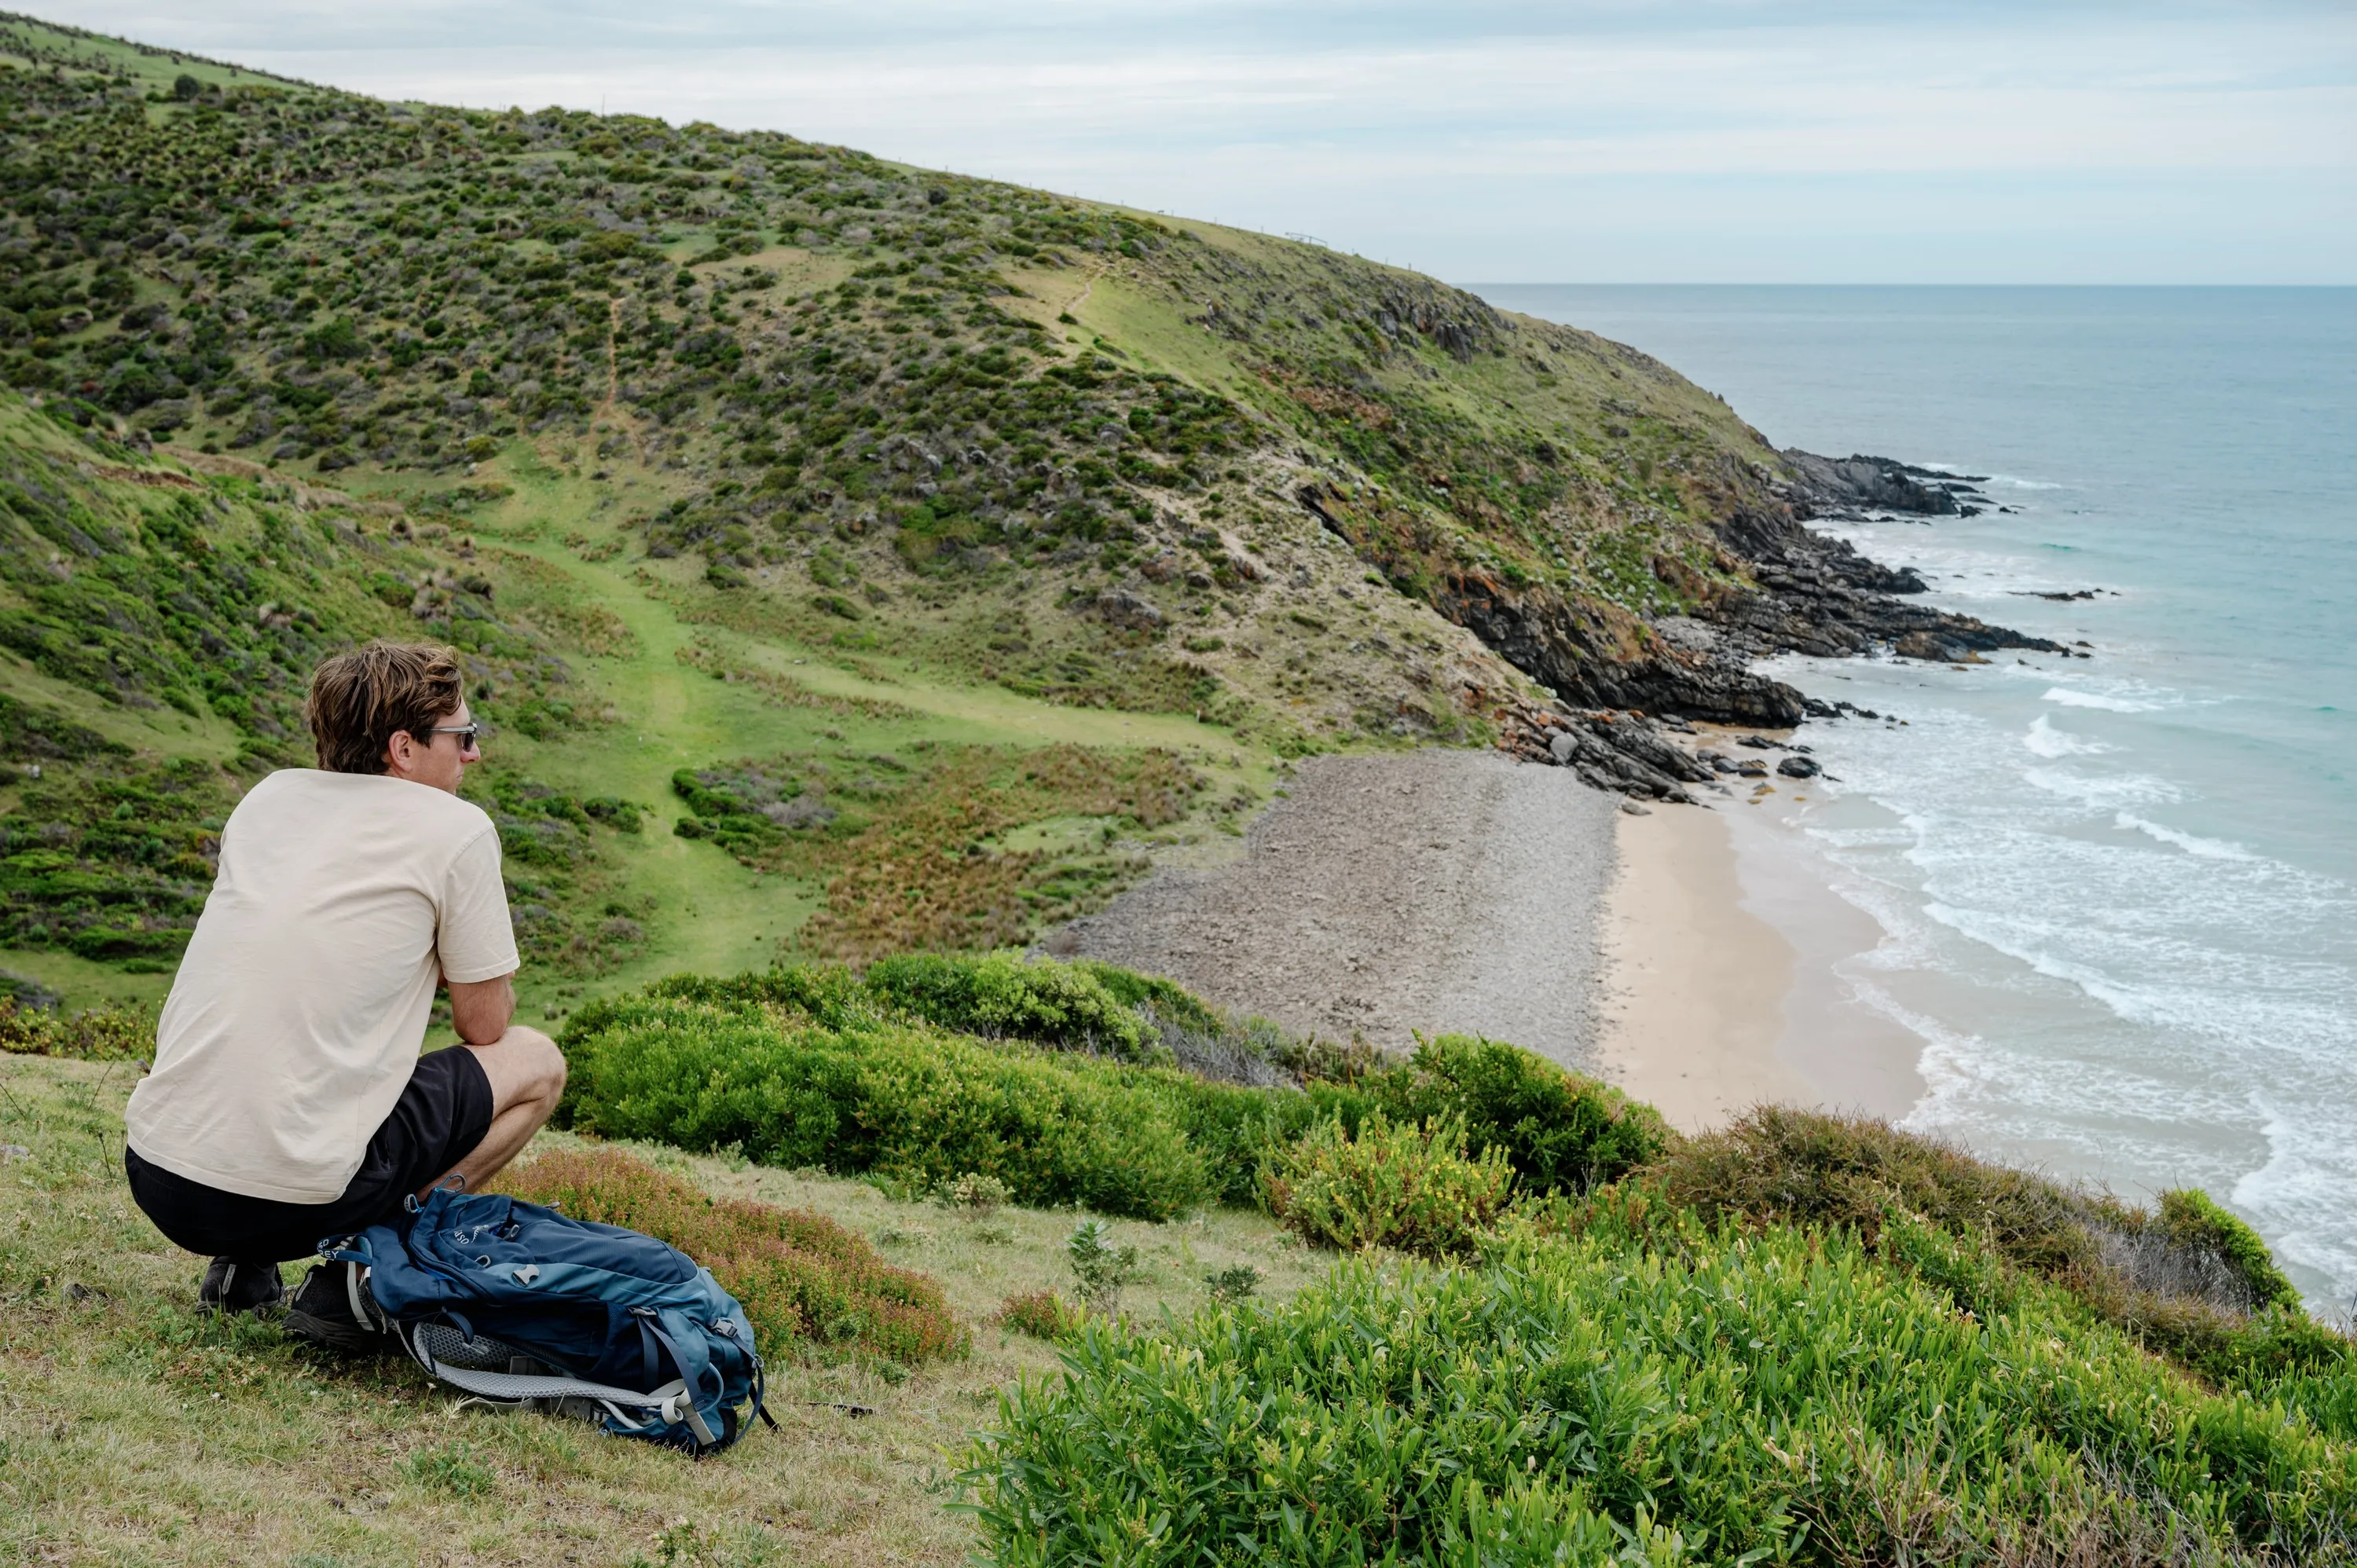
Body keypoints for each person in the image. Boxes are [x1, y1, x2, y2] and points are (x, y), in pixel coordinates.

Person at [122, 642, 564, 1343]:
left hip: (161, 1177)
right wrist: (453, 956)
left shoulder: (269, 797)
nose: (473, 755)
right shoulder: (456, 829)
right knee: (537, 1062)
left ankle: (243, 1268)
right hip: (300, 1198)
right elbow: (485, 1026)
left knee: (282, 1039)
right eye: (463, 736)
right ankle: (359, 1271)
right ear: (404, 749)